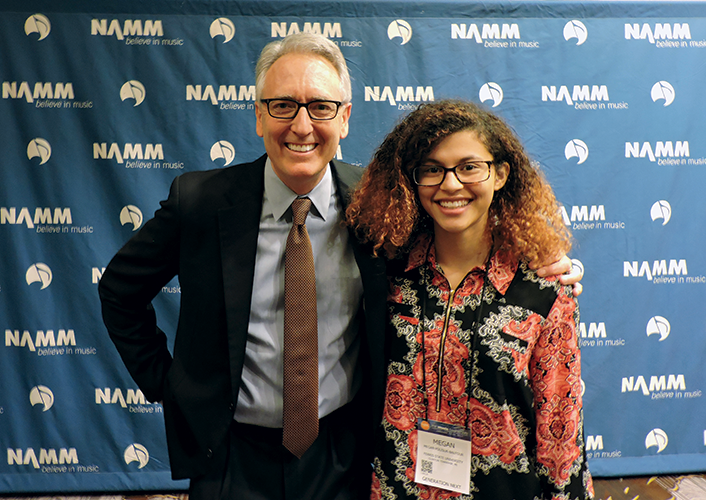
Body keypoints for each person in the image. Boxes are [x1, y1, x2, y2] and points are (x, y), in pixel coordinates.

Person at [98, 33, 581, 500]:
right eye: (283, 105)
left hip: (344, 458)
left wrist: (544, 261)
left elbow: (460, 221)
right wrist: (173, 386)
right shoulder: (199, 203)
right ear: (259, 116)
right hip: (230, 457)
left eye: (321, 107)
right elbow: (120, 291)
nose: (301, 126)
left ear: (345, 117)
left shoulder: (381, 208)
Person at [346, 100, 594, 500]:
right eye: (432, 169)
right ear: (412, 180)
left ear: (500, 174)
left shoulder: (544, 288)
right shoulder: (386, 273)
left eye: (469, 167)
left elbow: (560, 430)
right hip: (398, 490)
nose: (450, 184)